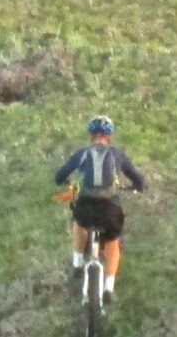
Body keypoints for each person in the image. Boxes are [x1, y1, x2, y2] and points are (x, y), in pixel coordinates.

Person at [54, 116, 147, 306]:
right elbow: (139, 180)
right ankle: (108, 288)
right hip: (110, 209)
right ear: (109, 136)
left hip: (86, 205)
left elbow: (60, 175)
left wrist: (66, 182)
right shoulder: (117, 154)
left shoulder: (82, 153)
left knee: (79, 224)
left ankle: (78, 262)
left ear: (91, 136)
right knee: (113, 242)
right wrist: (136, 187)